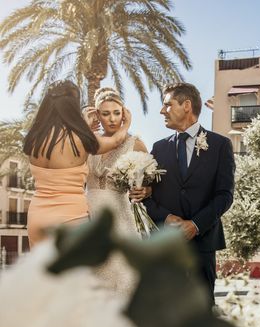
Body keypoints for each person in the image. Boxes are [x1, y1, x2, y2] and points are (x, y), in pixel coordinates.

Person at [143, 82, 235, 303]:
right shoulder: (158, 148)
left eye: (167, 104)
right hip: (166, 244)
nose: (162, 111)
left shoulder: (220, 145)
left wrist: (195, 225)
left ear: (186, 105)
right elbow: (147, 197)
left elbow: (224, 195)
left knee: (201, 311)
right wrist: (165, 217)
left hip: (203, 243)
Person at [24, 80, 131, 246]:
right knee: (73, 271)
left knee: (42, 270)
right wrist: (126, 123)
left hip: (37, 216)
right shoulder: (80, 138)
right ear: (73, 105)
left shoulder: (34, 138)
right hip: (70, 217)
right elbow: (116, 141)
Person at [83, 87, 150, 295]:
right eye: (105, 113)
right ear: (97, 115)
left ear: (124, 114)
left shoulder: (135, 143)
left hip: (120, 217)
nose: (112, 119)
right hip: (89, 215)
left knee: (124, 276)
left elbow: (149, 180)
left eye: (116, 112)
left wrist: (146, 190)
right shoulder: (89, 142)